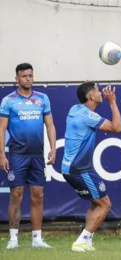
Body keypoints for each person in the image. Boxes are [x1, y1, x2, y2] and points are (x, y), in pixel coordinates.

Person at [60, 81, 121, 252]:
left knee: (96, 203)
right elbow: (117, 127)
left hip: (72, 168)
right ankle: (81, 240)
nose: (101, 92)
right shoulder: (87, 116)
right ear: (90, 96)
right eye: (97, 90)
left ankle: (86, 241)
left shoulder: (75, 109)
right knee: (105, 204)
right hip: (79, 169)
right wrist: (112, 102)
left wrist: (88, 85)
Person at [0, 63, 57, 249]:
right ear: (16, 79)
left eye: (31, 76)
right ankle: (13, 239)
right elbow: (1, 129)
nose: (28, 79)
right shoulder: (9, 101)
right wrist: (2, 155)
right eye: (24, 76)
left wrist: (53, 148)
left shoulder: (42, 99)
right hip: (17, 155)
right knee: (16, 194)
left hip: (37, 155)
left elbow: (50, 125)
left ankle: (37, 239)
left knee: (37, 194)